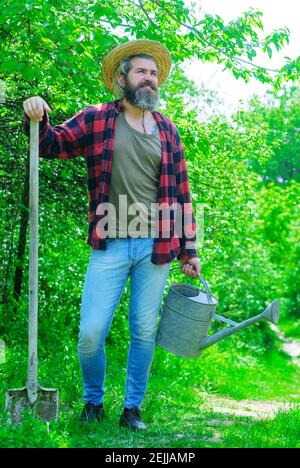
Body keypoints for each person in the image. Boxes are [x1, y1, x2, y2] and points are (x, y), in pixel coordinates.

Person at [23, 39, 201, 430]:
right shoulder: (97, 119)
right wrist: (36, 114)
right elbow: (51, 145)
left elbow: (183, 194)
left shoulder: (168, 132)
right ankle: (93, 401)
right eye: (141, 71)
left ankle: (132, 410)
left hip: (157, 248)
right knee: (90, 333)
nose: (149, 79)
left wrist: (190, 250)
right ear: (123, 79)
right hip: (111, 242)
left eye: (154, 73)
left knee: (142, 330)